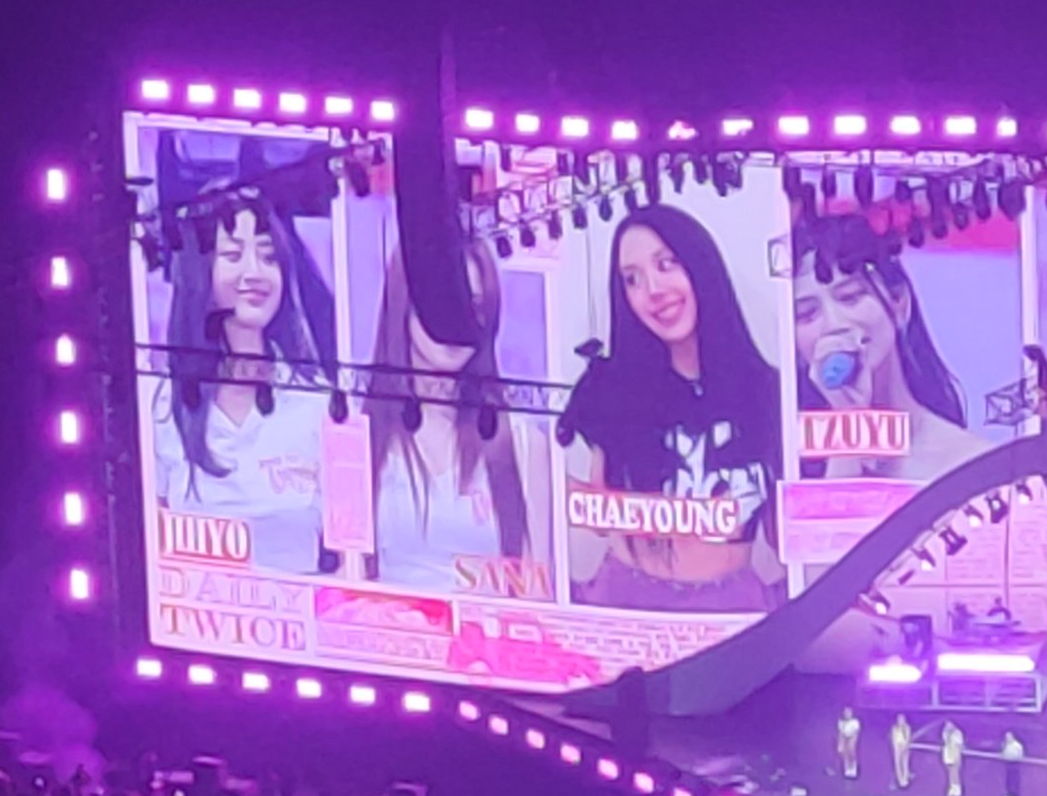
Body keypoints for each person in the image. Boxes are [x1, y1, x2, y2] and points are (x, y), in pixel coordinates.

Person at [560, 205, 784, 612]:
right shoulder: (610, 386)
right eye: (632, 279)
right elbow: (596, 511)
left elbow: (784, 538)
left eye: (666, 264)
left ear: (700, 266)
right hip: (626, 602)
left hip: (733, 607)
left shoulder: (765, 391)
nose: (653, 289)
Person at [153, 182, 333, 575]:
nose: (255, 273)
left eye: (268, 258)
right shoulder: (161, 406)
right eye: (233, 255)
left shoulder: (320, 401)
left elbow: (351, 553)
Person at [365, 243, 548, 594]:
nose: (455, 325)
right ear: (404, 303)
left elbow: (535, 593)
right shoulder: (360, 434)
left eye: (473, 308)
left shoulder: (522, 444)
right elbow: (345, 578)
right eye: (441, 303)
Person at [791, 213, 993, 481]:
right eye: (806, 315)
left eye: (851, 297)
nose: (835, 324)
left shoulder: (968, 463)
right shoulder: (787, 464)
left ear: (898, 302)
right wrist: (848, 423)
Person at [1001, 732, 1025, 796]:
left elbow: (1020, 755)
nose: (1007, 739)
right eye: (1006, 737)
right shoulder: (1005, 745)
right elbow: (1003, 754)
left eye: (1009, 737)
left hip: (1015, 764)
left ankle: (1015, 795)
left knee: (1015, 780)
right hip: (1008, 764)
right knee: (1008, 780)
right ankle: (1009, 794)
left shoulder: (1018, 746)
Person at [836, 707, 862, 779]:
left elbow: (855, 734)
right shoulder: (841, 722)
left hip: (852, 736)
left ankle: (853, 766)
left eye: (848, 712)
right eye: (845, 712)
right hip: (844, 736)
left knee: (851, 749)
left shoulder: (855, 722)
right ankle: (847, 767)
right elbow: (840, 734)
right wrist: (840, 744)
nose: (847, 714)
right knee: (844, 751)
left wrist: (852, 743)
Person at [941, 723, 964, 796]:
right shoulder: (945, 732)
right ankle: (952, 787)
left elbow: (960, 744)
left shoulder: (957, 733)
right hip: (948, 753)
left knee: (955, 771)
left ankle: (957, 789)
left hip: (955, 753)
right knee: (950, 772)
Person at [890, 714, 913, 789]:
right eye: (899, 720)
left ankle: (905, 778)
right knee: (897, 763)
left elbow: (908, 738)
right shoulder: (894, 729)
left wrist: (905, 747)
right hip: (897, 747)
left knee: (905, 762)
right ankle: (900, 780)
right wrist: (897, 749)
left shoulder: (907, 728)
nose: (901, 721)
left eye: (902, 719)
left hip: (905, 746)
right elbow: (893, 739)